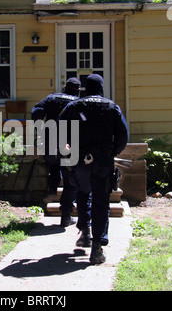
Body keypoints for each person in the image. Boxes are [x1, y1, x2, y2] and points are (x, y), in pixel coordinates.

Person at [58, 74, 129, 264]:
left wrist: (67, 149)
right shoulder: (112, 107)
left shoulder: (73, 107)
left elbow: (59, 131)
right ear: (101, 88)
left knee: (83, 193)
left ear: (85, 88)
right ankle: (96, 248)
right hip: (103, 161)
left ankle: (85, 232)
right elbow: (123, 136)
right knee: (101, 200)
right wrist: (111, 152)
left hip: (80, 160)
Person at [31, 78, 81, 226]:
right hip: (70, 143)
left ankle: (52, 188)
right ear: (78, 90)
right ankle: (66, 216)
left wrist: (40, 129)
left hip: (50, 139)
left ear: (65, 87)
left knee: (53, 167)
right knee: (70, 180)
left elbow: (36, 112)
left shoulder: (52, 97)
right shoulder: (78, 102)